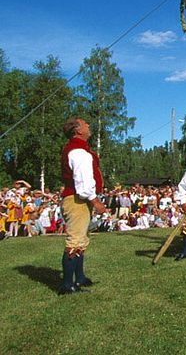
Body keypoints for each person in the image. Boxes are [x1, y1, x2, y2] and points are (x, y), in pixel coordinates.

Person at [58, 117, 107, 295]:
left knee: (81, 240)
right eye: (85, 123)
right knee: (75, 240)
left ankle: (79, 277)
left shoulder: (76, 149)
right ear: (78, 130)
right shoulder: (78, 152)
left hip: (78, 199)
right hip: (77, 200)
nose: (88, 125)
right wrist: (96, 201)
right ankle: (67, 285)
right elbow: (83, 182)